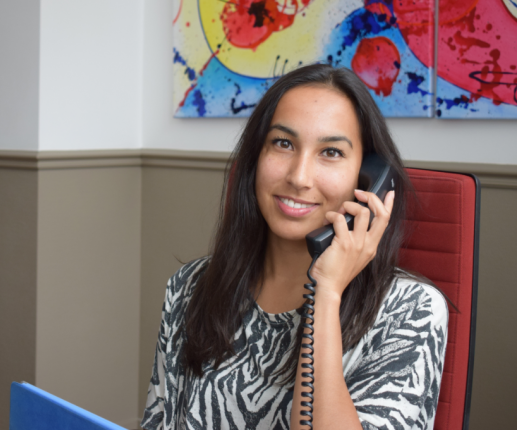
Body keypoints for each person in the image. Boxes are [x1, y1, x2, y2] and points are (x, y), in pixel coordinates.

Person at [141, 64, 448, 430]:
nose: (299, 177)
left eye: (331, 152)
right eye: (283, 144)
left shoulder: (410, 310)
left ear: (369, 180)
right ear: (256, 158)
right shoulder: (191, 286)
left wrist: (327, 293)